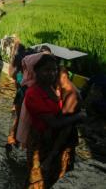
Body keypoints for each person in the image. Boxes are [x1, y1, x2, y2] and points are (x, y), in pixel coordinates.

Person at [25, 55, 86, 188]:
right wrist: (79, 116)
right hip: (40, 142)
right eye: (46, 70)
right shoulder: (33, 93)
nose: (51, 74)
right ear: (36, 71)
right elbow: (54, 123)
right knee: (37, 180)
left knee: (50, 180)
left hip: (53, 140)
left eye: (54, 70)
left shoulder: (52, 88)